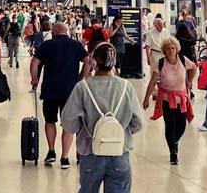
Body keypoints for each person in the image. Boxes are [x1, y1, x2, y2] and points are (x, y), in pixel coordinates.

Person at [61, 43, 144, 193]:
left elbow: (68, 124)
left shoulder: (82, 88)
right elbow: (138, 123)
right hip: (119, 152)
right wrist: (120, 130)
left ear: (94, 62)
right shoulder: (126, 87)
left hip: (90, 153)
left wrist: (84, 127)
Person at [30, 22, 87, 169]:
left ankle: (51, 151)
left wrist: (34, 79)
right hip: (70, 91)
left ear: (54, 32)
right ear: (66, 31)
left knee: (50, 121)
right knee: (68, 124)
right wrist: (81, 78)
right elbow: (88, 61)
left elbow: (35, 62)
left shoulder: (47, 45)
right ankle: (65, 157)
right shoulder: (75, 45)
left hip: (50, 90)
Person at [143, 37, 196, 166]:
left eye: (173, 48)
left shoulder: (183, 60)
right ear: (164, 51)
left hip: (181, 99)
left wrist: (189, 81)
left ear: (176, 49)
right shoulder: (160, 63)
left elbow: (194, 68)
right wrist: (146, 99)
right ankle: (173, 152)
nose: (171, 50)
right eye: (168, 49)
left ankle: (175, 142)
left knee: (181, 126)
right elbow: (152, 82)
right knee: (170, 125)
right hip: (167, 99)